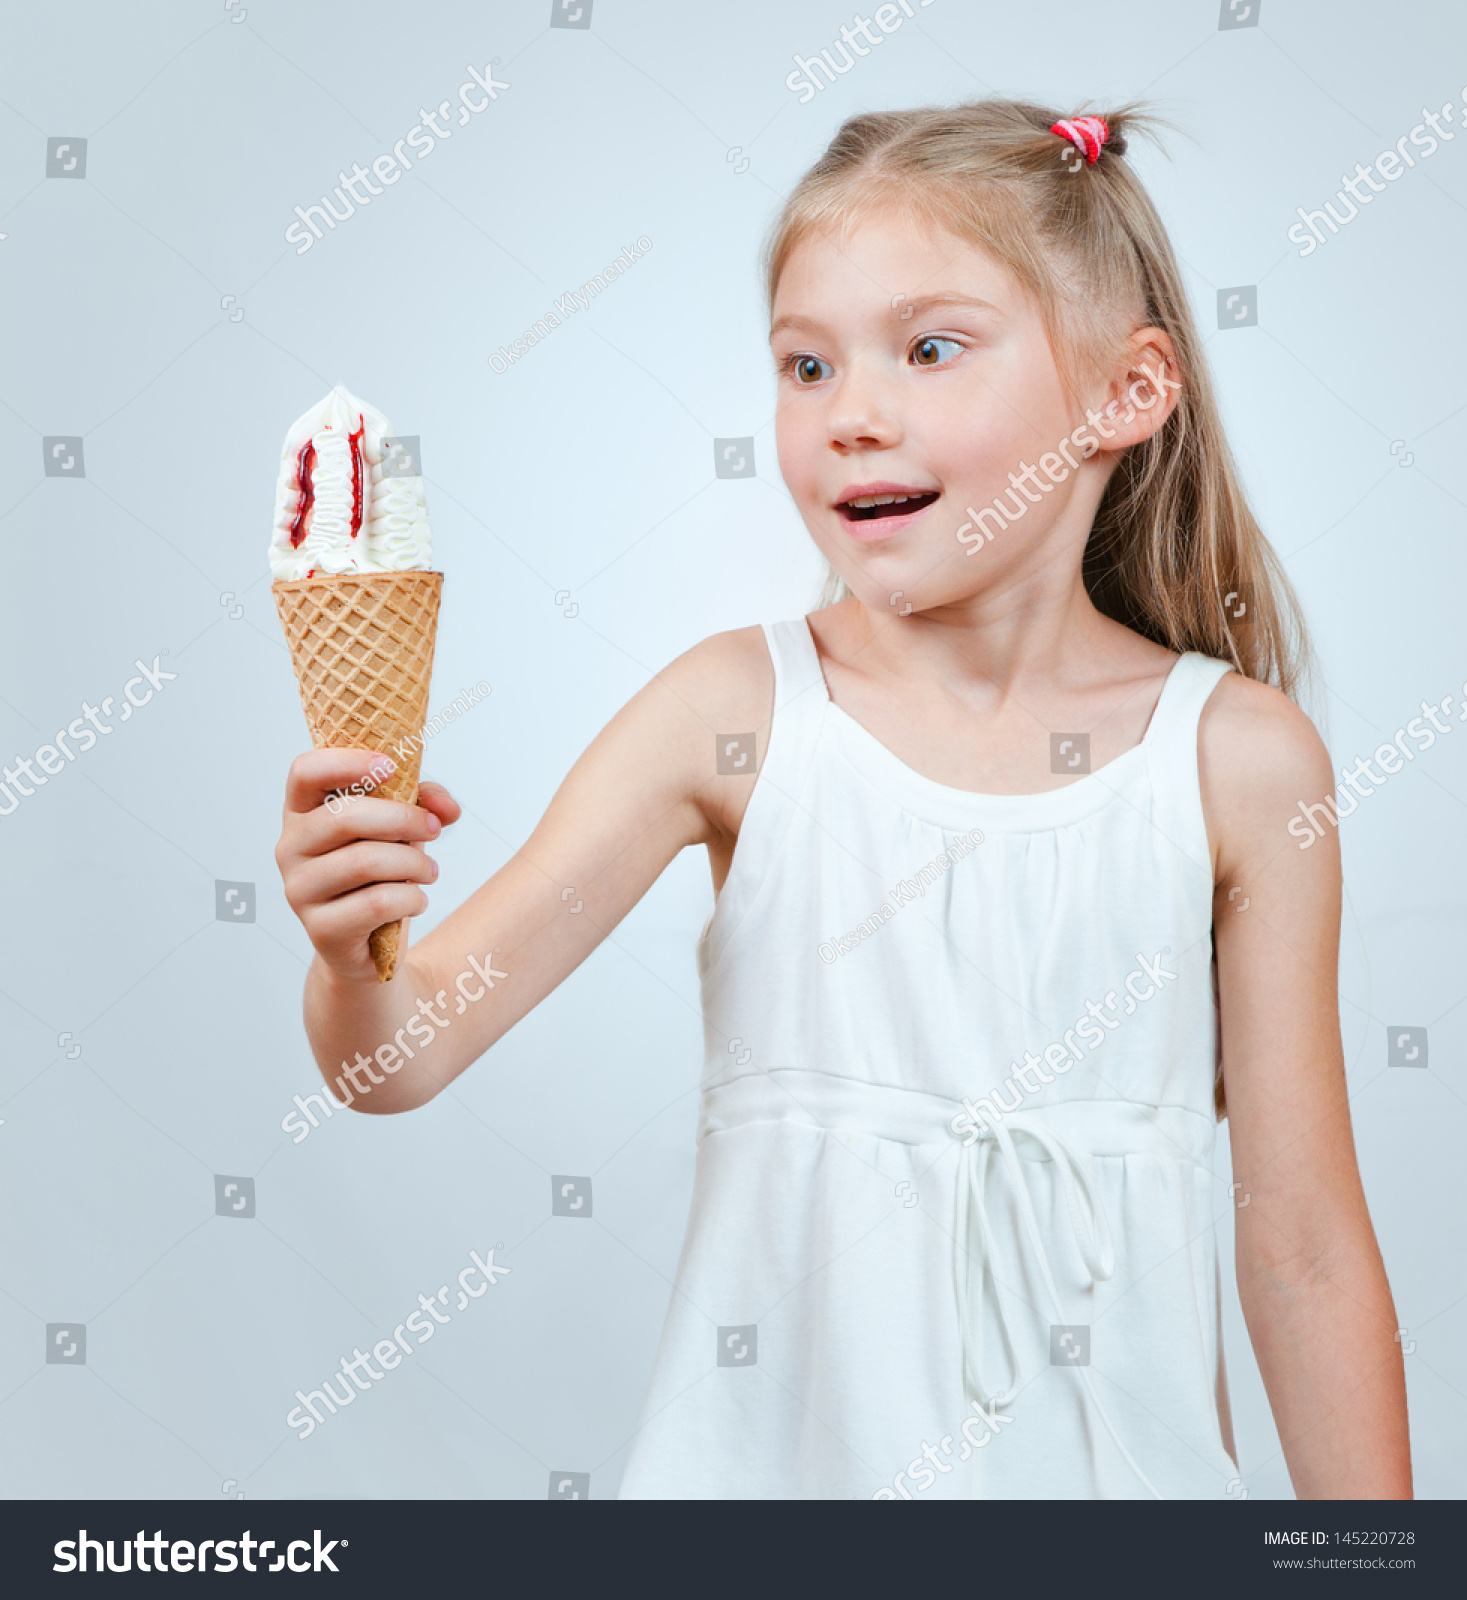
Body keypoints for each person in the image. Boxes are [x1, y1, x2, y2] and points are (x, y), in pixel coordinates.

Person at [275, 100, 1411, 1499]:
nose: (851, 415)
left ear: (1127, 391)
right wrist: (351, 956)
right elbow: (400, 1061)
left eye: (930, 348)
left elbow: (1299, 1243)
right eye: (805, 366)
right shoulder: (735, 717)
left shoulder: (1241, 762)